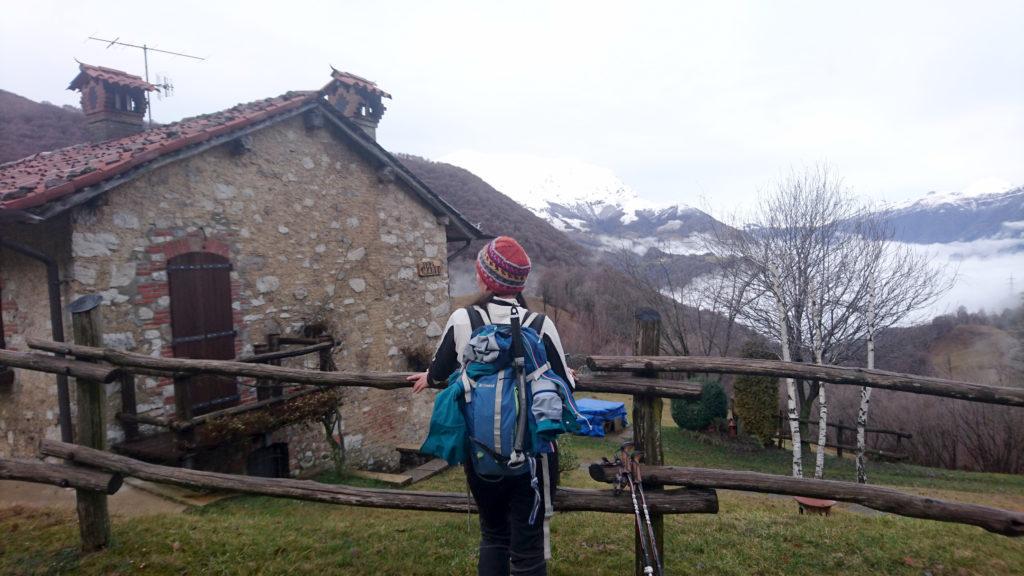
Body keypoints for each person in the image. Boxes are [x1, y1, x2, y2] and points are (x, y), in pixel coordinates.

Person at [408, 236, 575, 576]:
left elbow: (440, 375)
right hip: (533, 456)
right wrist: (566, 371)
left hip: (481, 450)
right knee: (527, 550)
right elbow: (563, 384)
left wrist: (428, 375)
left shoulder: (462, 320)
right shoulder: (541, 325)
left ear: (485, 278)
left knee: (494, 535)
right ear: (520, 282)